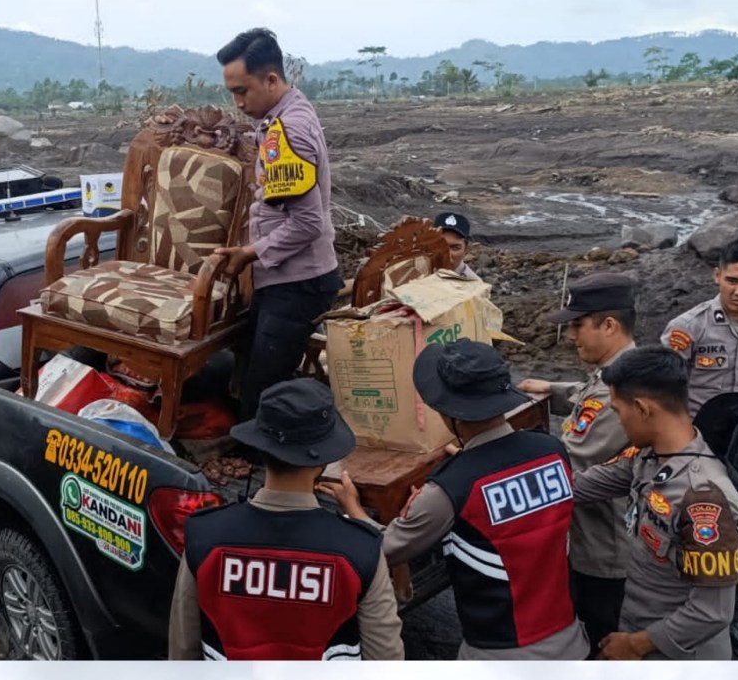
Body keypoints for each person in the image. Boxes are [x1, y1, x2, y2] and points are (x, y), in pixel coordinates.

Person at [326, 340, 586, 659]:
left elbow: (385, 550)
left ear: (447, 413)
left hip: (499, 657)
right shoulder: (552, 450)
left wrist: (353, 509)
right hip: (572, 639)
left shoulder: (451, 488)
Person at [170, 379, 403, 660]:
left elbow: (184, 650)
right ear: (323, 461)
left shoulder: (204, 536)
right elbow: (385, 658)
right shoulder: (360, 549)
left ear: (261, 449)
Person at [572, 347, 738, 660]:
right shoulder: (649, 456)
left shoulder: (705, 500)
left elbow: (712, 612)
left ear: (641, 408)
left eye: (617, 410)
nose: (618, 420)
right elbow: (581, 486)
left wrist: (636, 644)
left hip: (677, 657)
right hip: (638, 628)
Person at [662, 237, 738, 660]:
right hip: (691, 447)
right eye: (732, 279)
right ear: (717, 276)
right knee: (682, 534)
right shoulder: (687, 328)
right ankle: (676, 622)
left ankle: (733, 623)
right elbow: (662, 394)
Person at [214, 28, 341, 417]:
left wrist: (249, 254)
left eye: (242, 91)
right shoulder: (283, 115)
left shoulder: (288, 131)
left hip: (298, 283)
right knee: (248, 368)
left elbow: (307, 224)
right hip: (284, 277)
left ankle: (269, 469)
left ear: (271, 80)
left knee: (262, 395)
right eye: (232, 92)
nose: (237, 103)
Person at [518, 273, 638, 651]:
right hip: (605, 537)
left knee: (600, 639)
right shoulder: (625, 368)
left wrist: (495, 453)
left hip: (603, 548)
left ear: (609, 325)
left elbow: (568, 460)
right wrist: (553, 391)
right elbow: (587, 396)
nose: (571, 336)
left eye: (577, 325)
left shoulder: (614, 388)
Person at [431, 210, 480, 280]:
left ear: (466, 249)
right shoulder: (414, 269)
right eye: (440, 245)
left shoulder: (473, 287)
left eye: (455, 248)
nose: (447, 255)